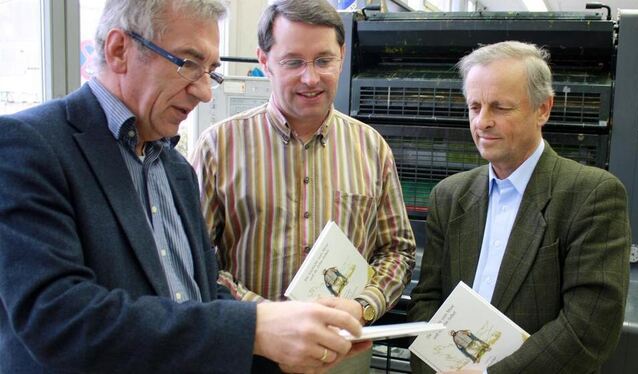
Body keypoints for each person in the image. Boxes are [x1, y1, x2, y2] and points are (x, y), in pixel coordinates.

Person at [0, 1, 370, 373]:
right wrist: (255, 329)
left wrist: (288, 333)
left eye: (211, 71)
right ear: (118, 50)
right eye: (188, 64)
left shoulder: (175, 168)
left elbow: (201, 295)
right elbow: (60, 319)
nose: (205, 91)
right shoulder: (31, 146)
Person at [190, 0, 416, 371]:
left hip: (342, 358)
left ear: (342, 57)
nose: (311, 78)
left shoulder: (371, 148)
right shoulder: (218, 147)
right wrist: (268, 318)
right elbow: (198, 262)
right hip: (249, 356)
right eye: (293, 62)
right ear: (264, 62)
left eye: (323, 60)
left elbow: (398, 251)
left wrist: (363, 304)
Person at [408, 41, 631, 374]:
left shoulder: (591, 195)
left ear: (543, 108)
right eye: (474, 106)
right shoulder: (449, 196)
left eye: (500, 107)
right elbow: (427, 303)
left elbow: (588, 328)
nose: (482, 122)